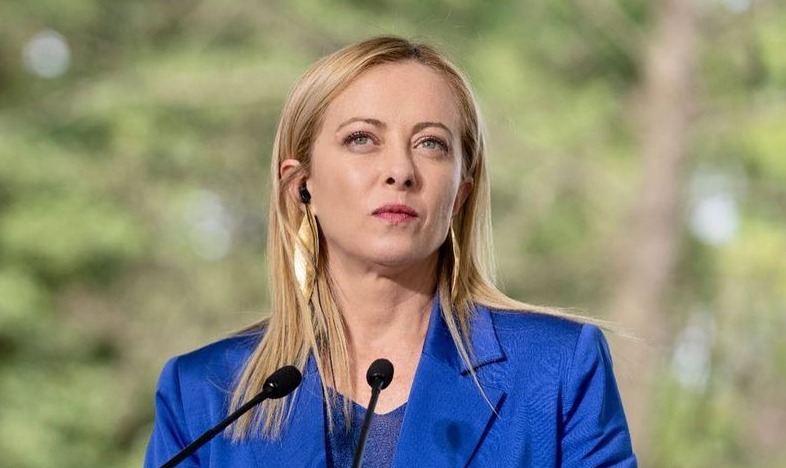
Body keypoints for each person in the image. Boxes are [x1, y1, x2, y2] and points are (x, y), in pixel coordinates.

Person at [144, 35, 637, 467]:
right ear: (301, 185)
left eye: (430, 144)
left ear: (460, 194)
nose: (400, 171)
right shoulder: (202, 394)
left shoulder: (558, 369)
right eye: (362, 139)